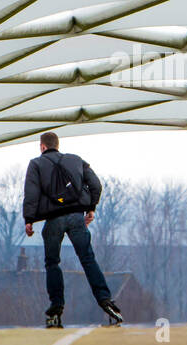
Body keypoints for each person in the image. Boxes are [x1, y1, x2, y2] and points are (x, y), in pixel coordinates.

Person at [22, 132, 124, 328]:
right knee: (87, 258)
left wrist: (29, 220)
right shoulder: (76, 160)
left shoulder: (36, 164)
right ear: (57, 145)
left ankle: (56, 308)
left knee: (53, 262)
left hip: (53, 220)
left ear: (42, 147)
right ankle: (106, 300)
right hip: (77, 217)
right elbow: (96, 185)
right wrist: (91, 208)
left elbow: (31, 193)